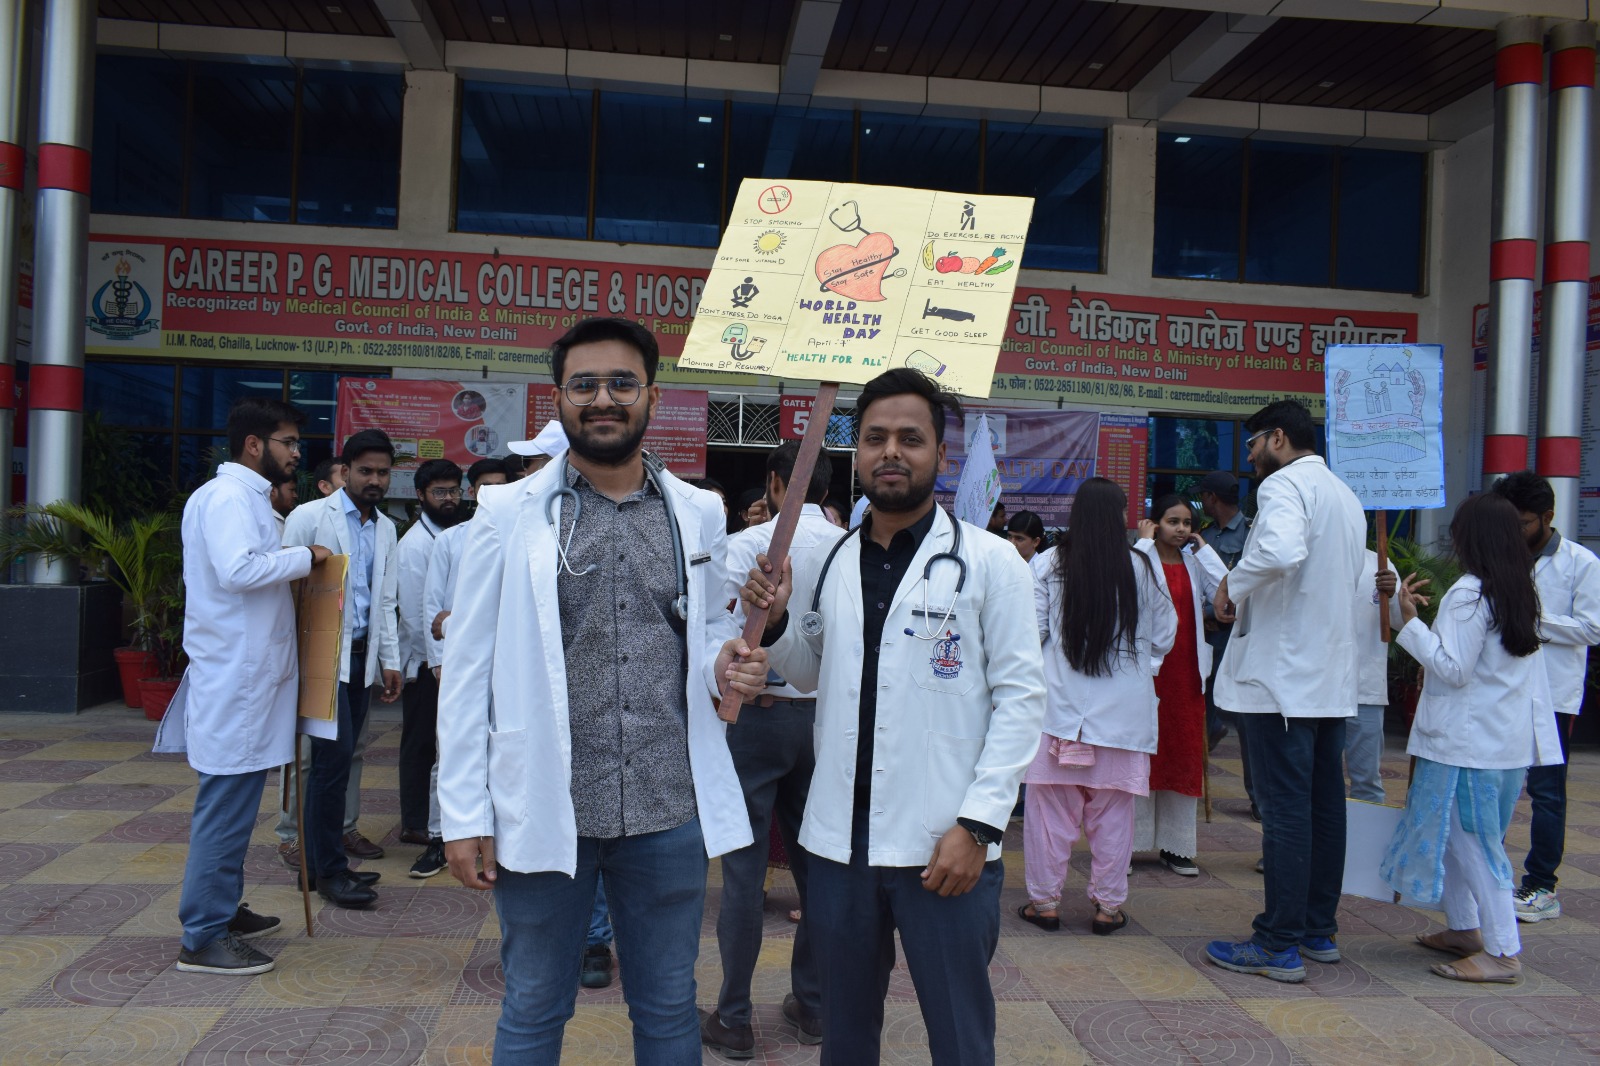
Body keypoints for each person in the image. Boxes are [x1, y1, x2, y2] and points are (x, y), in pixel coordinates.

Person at [436, 317, 769, 1065]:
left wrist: (727, 664)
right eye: (583, 385)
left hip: (666, 808)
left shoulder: (698, 512)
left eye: (622, 383)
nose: (603, 399)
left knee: (669, 1008)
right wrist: (461, 813)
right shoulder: (506, 514)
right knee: (533, 1006)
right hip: (543, 804)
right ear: (557, 398)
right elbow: (467, 671)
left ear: (652, 396)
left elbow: (708, 634)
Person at [740, 367, 1046, 1066]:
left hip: (945, 844)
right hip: (839, 847)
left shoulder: (991, 563)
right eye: (875, 437)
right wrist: (779, 622)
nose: (891, 452)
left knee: (959, 1036)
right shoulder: (835, 559)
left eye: (911, 438)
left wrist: (979, 825)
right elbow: (816, 672)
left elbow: (1022, 700)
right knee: (844, 1036)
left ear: (940, 452)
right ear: (858, 451)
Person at [156, 397, 330, 974]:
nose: (297, 453)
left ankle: (222, 910)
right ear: (254, 445)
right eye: (288, 442)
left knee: (234, 806)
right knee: (225, 809)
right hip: (238, 682)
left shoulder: (243, 497)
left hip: (248, 679)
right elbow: (238, 571)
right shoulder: (229, 497)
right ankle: (203, 935)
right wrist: (304, 556)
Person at [1205, 399, 1364, 984]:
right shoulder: (1344, 496)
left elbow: (1278, 551)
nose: (1249, 457)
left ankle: (1277, 943)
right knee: (1324, 808)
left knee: (1286, 811)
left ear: (1276, 438)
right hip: (1327, 679)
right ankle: (1317, 930)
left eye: (1252, 444)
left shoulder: (1284, 486)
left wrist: (1231, 583)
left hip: (1283, 682)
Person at [1381, 492, 1561, 984]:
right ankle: (1465, 928)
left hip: (1465, 746)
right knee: (1460, 841)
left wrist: (1411, 624)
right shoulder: (1517, 588)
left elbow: (1453, 668)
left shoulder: (1469, 593)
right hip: (1499, 742)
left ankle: (1502, 951)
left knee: (1476, 847)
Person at [702, 441, 839, 1058]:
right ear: (827, 490)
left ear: (775, 483)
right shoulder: (847, 548)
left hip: (755, 719)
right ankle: (814, 1004)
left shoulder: (743, 546)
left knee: (743, 875)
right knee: (819, 871)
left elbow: (716, 628)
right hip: (823, 722)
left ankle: (734, 1017)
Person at [1018, 479, 1175, 935]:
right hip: (1123, 717)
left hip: (1059, 713)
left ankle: (1044, 904)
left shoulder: (1048, 562)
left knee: (1048, 816)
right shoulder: (1142, 565)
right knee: (1113, 818)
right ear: (1119, 516)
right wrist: (1136, 664)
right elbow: (1164, 635)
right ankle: (1108, 908)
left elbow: (1030, 634)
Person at [282, 428, 404, 909]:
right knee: (331, 766)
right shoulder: (309, 517)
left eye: (382, 472)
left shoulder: (386, 527)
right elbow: (283, 589)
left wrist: (390, 661)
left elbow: (385, 600)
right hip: (319, 658)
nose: (375, 480)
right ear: (345, 471)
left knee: (337, 764)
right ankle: (329, 871)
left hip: (360, 657)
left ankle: (319, 866)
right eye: (365, 471)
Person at [1492, 471, 1600, 923]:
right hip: (1501, 690)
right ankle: (1490, 880)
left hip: (1552, 695)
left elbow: (1592, 628)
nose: (1514, 531)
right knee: (1494, 787)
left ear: (1547, 517)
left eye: (1522, 523)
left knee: (1547, 793)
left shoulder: (1581, 562)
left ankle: (1541, 887)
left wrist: (1531, 618)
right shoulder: (1499, 556)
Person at [413, 457, 509, 881]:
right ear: (473, 492)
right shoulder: (451, 540)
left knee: (501, 746)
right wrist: (439, 662)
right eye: (485, 486)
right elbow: (432, 607)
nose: (494, 493)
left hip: (505, 661)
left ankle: (497, 832)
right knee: (450, 749)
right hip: (458, 660)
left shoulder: (521, 535)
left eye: (501, 485)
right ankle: (441, 835)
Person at [1133, 494, 1227, 877]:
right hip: (1147, 674)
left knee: (1182, 754)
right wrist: (1142, 544)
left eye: (1187, 523)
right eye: (1173, 521)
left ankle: (1177, 847)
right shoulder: (1140, 558)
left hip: (1186, 674)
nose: (1182, 529)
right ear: (1155, 523)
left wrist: (1205, 551)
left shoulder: (1193, 563)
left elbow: (1226, 592)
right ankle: (1128, 844)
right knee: (1141, 755)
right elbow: (1128, 584)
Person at [394, 458, 464, 875]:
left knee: (436, 743)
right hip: (427, 661)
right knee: (421, 743)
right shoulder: (415, 545)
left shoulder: (456, 535)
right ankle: (416, 823)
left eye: (454, 490)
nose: (449, 498)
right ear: (420, 495)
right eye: (440, 492)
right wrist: (434, 662)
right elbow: (417, 613)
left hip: (450, 657)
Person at [1198, 470, 1250, 756]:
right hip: (1206, 634)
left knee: (1241, 705)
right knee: (1203, 696)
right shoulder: (1204, 535)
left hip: (1235, 633)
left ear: (1212, 497)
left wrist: (1210, 611)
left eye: (1202, 496)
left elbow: (1249, 585)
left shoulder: (1250, 534)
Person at [1347, 550, 1401, 804]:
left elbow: (1401, 621)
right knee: (1318, 776)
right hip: (1320, 689)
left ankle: (1365, 829)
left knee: (1367, 780)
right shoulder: (1312, 554)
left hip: (1366, 688)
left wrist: (1393, 595)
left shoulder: (1380, 564)